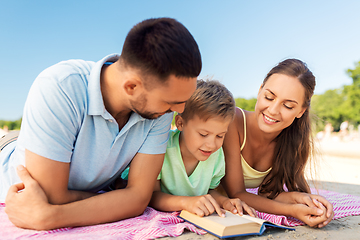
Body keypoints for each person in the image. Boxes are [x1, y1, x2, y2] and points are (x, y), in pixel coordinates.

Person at [0, 17, 201, 230]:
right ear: (131, 86)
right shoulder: (59, 87)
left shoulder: (160, 111)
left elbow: (138, 198)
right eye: (171, 102)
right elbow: (50, 197)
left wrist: (51, 217)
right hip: (8, 153)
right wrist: (117, 199)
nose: (180, 110)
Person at [220, 59, 334, 228]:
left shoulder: (290, 141)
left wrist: (304, 199)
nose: (273, 110)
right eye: (269, 97)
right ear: (260, 91)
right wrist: (292, 211)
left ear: (301, 111)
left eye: (287, 106)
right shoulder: (233, 121)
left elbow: (268, 194)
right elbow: (236, 193)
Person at [125, 80, 255, 217]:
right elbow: (151, 195)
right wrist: (186, 202)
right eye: (203, 134)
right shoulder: (160, 148)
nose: (211, 144)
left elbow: (208, 191)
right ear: (180, 123)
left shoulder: (216, 156)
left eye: (220, 136)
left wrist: (225, 202)